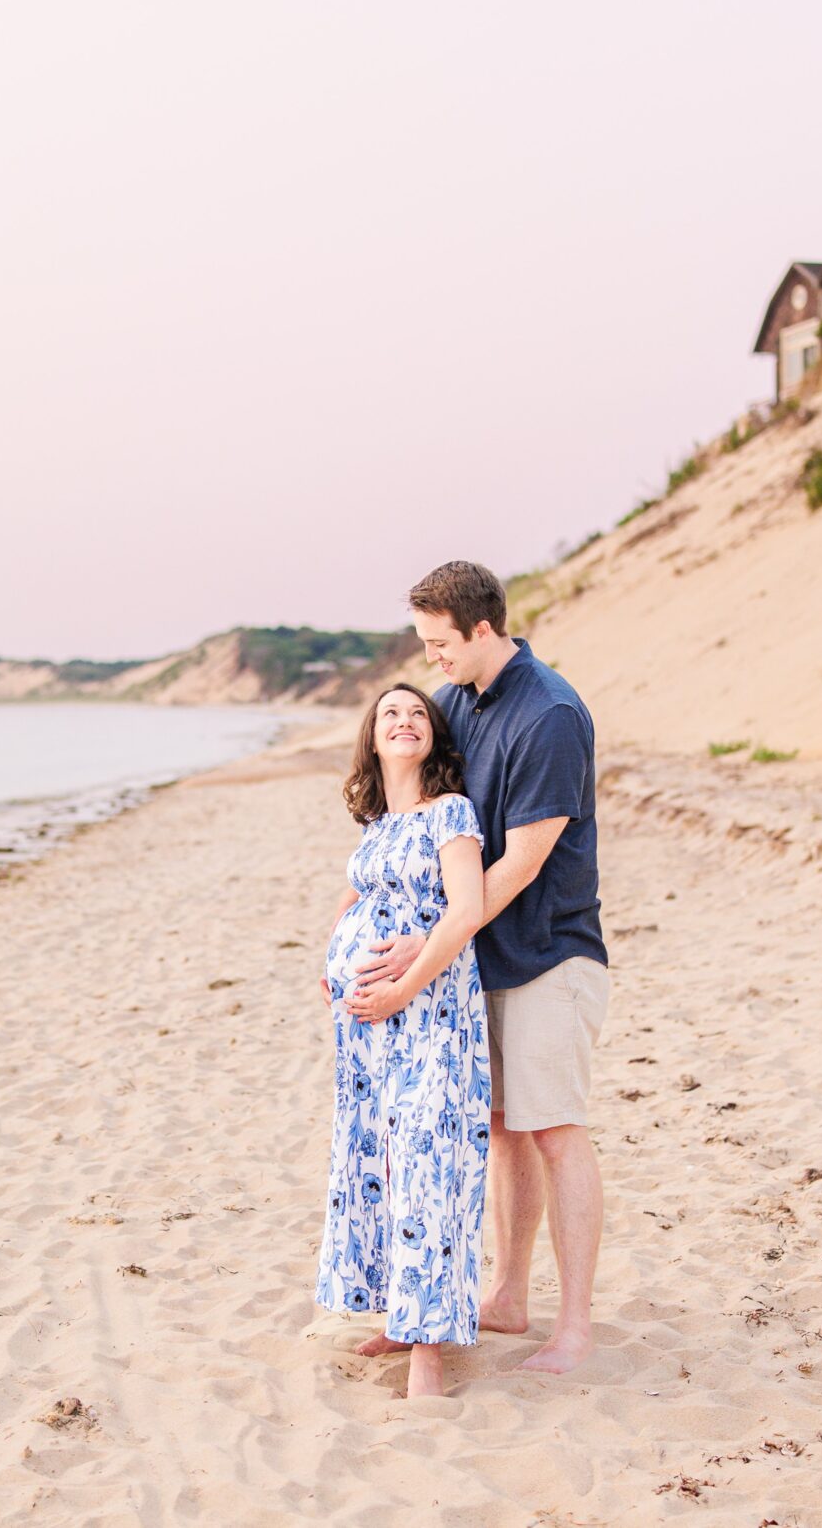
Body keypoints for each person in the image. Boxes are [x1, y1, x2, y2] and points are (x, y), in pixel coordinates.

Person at [356, 559, 608, 1374]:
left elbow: (517, 867)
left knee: (556, 1131)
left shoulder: (551, 715)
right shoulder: (462, 701)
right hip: (479, 960)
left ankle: (574, 1327)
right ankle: (505, 1293)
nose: (433, 658)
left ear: (484, 629)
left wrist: (422, 958)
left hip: (548, 953)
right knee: (502, 1129)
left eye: (440, 643)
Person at [313, 682, 491, 1399]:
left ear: (432, 736)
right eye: (391, 712)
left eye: (418, 712)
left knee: (427, 1161)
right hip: (368, 1029)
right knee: (378, 1156)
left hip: (430, 1011)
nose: (406, 719)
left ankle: (429, 1350)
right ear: (373, 737)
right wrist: (331, 953)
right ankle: (398, 1311)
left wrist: (402, 985)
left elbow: (466, 910)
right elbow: (360, 891)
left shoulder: (450, 812)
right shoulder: (378, 823)